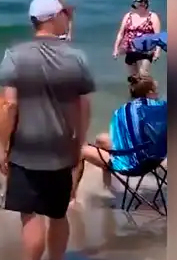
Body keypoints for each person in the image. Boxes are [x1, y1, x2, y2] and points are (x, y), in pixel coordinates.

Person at [0, 0, 96, 260]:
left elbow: (9, 107)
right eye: (64, 14)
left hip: (24, 150)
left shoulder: (14, 56)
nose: (67, 19)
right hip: (61, 149)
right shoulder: (77, 57)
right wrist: (79, 143)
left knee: (29, 215)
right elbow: (83, 107)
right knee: (58, 214)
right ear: (52, 18)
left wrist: (2, 147)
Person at [69, 74, 167, 203]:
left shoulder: (121, 112)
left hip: (132, 166)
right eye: (156, 90)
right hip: (155, 158)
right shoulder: (163, 107)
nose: (157, 93)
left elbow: (118, 141)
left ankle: (71, 199)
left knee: (82, 151)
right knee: (101, 139)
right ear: (149, 92)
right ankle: (107, 187)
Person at [112, 0, 161, 77]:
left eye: (145, 2)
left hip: (145, 51)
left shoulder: (152, 17)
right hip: (130, 51)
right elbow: (121, 34)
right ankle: (135, 90)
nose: (142, 4)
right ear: (135, 3)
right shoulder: (128, 16)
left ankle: (150, 90)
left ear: (147, 4)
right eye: (140, 2)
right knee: (133, 78)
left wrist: (157, 52)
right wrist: (116, 49)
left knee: (143, 76)